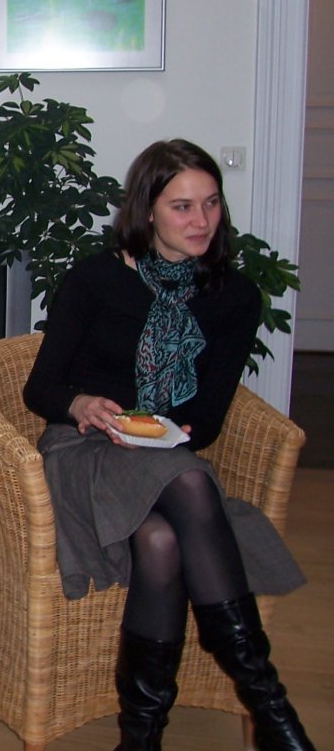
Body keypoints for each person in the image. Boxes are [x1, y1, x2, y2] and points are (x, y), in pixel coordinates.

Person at [22, 139, 314, 751]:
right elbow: (41, 388)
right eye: (182, 206)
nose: (201, 220)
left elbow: (207, 418)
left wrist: (166, 433)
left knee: (161, 540)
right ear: (147, 210)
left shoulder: (235, 298)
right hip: (84, 449)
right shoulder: (95, 280)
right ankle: (272, 711)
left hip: (163, 454)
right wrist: (81, 404)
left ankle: (141, 737)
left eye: (211, 203)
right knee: (192, 481)